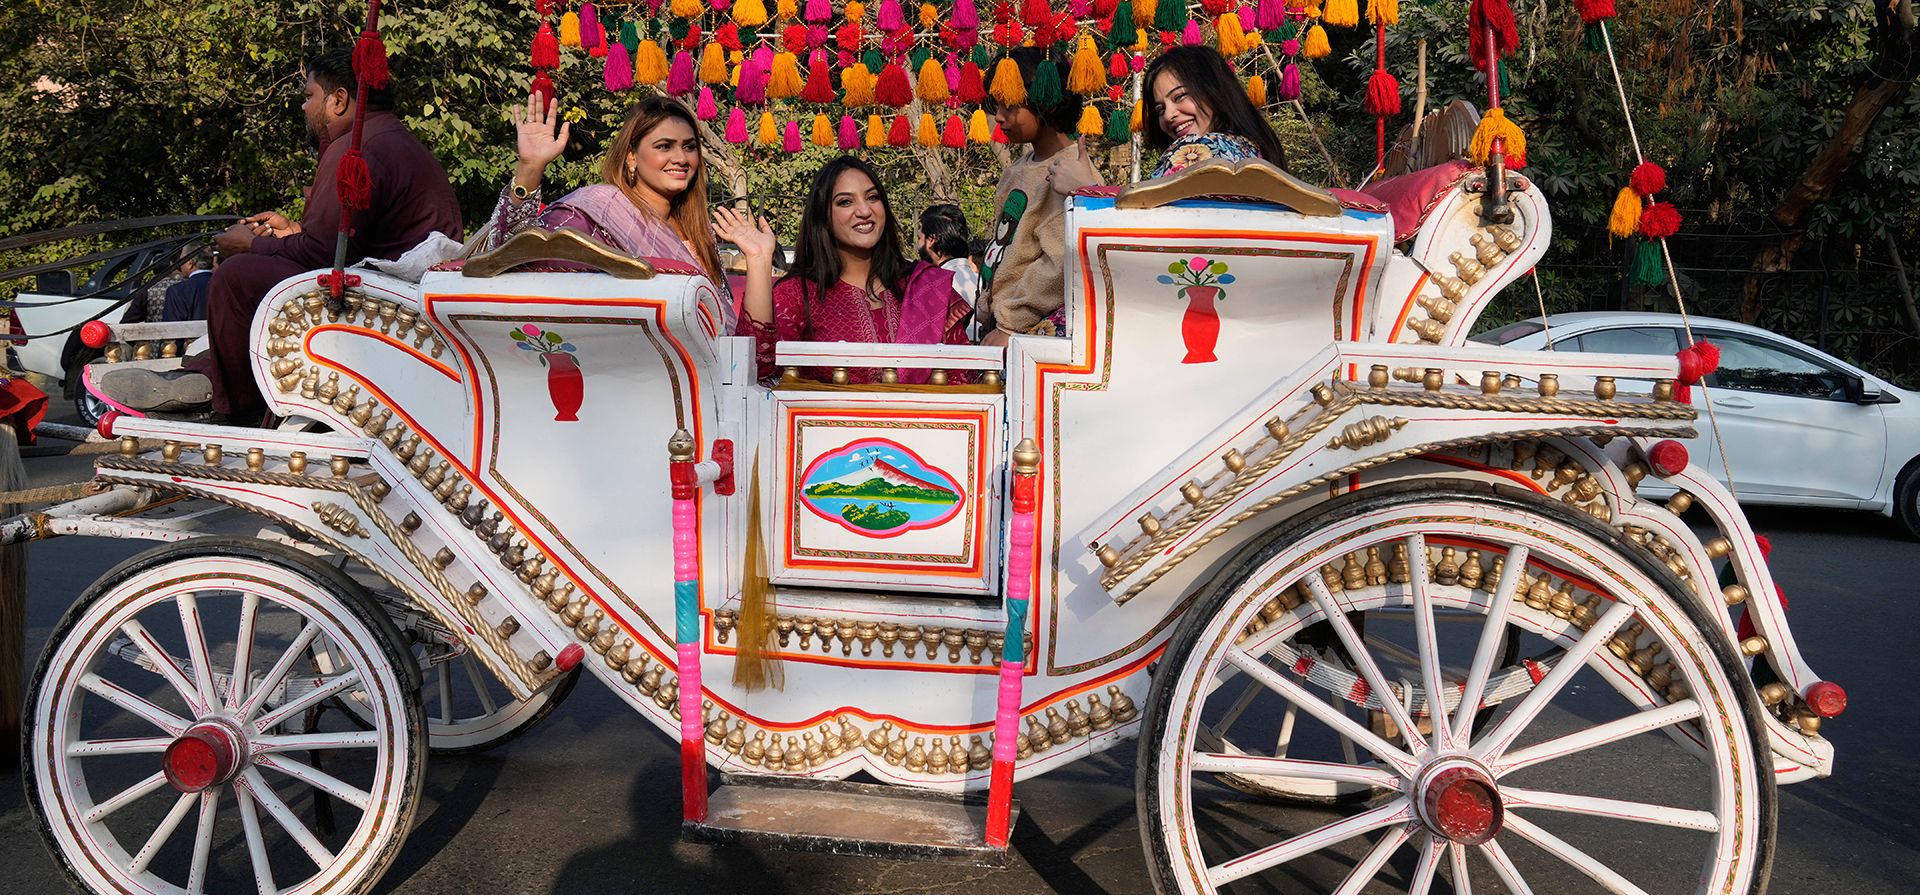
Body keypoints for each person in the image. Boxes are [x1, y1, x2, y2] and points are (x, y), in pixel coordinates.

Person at [97, 47, 462, 419]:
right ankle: (208, 377)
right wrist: (292, 232)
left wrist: (251, 243)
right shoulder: (391, 137)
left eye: (308, 96)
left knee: (237, 276)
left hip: (381, 297)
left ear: (338, 100)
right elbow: (342, 242)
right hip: (394, 288)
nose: (304, 107)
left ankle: (234, 406)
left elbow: (323, 253)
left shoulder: (356, 149)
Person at [718, 156, 971, 385]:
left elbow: (963, 379)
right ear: (823, 217)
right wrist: (759, 260)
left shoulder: (925, 287)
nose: (864, 211)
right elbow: (758, 370)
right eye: (845, 202)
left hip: (924, 432)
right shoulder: (798, 294)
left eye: (872, 197)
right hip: (827, 435)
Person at [484, 94, 728, 310]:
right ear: (632, 156)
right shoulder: (598, 209)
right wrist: (530, 168)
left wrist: (758, 259)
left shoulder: (698, 228)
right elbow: (510, 256)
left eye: (689, 147)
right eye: (664, 146)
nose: (680, 158)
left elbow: (724, 321)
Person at [975, 48, 1101, 344]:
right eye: (997, 104)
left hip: (1030, 333)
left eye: (1011, 105)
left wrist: (1011, 323)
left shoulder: (1072, 172)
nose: (1000, 116)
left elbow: (1060, 262)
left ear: (1044, 100)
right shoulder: (1018, 168)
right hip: (1002, 322)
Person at [1143, 45, 1288, 178]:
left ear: (1213, 91)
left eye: (1180, 96)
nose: (1168, 115)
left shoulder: (1198, 151)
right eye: (1160, 109)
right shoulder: (1255, 151)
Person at [918, 204, 979, 307]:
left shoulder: (935, 286)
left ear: (931, 240)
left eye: (919, 238)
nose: (918, 244)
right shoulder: (981, 283)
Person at [160, 248, 215, 322]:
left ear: (190, 263)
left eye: (181, 261)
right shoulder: (226, 284)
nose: (180, 266)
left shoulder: (177, 291)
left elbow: (171, 327)